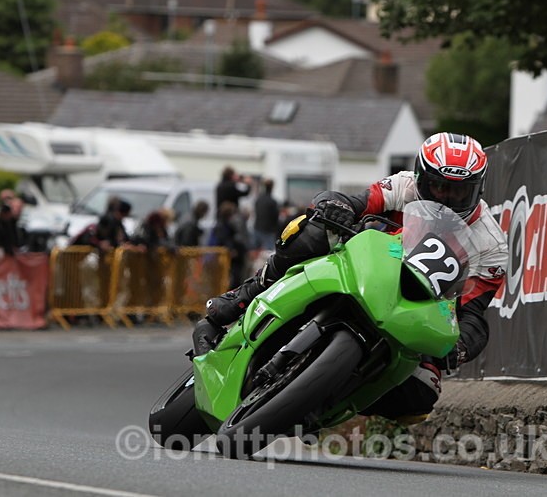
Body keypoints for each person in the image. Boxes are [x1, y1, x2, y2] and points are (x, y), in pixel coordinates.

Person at [193, 132, 509, 421]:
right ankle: (242, 297)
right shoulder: (403, 186)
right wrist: (334, 205)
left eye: (458, 191)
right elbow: (356, 202)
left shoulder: (491, 245)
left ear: (478, 189)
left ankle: (335, 401)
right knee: (312, 230)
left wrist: (461, 346)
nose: (446, 199)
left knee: (421, 394)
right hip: (365, 268)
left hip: (416, 310)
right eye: (438, 186)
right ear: (420, 176)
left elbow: (473, 313)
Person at [209, 201, 249, 289]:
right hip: (225, 257)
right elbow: (224, 240)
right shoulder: (223, 226)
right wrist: (231, 249)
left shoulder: (225, 225)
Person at [252, 179, 280, 252]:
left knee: (256, 252)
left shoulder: (258, 199)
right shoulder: (272, 201)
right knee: (268, 253)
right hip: (269, 231)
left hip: (257, 227)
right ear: (272, 187)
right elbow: (276, 217)